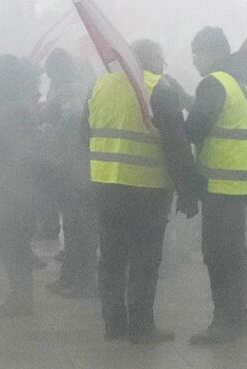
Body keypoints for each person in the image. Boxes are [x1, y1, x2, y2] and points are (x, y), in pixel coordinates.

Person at [84, 38, 197, 344]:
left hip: (106, 185)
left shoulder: (101, 85)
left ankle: (114, 324)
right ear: (155, 60)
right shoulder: (159, 89)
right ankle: (142, 327)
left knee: (110, 258)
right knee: (144, 261)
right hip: (147, 188)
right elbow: (177, 144)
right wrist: (188, 191)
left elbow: (86, 132)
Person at [184, 26, 247, 345]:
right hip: (241, 183)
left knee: (218, 256)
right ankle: (236, 318)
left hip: (221, 185)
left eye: (196, 54)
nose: (194, 61)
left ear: (211, 52)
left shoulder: (214, 82)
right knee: (235, 254)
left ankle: (225, 322)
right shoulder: (243, 82)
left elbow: (195, 128)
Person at [0, 55, 42, 316]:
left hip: (12, 186)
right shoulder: (19, 104)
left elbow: (16, 148)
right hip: (18, 185)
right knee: (15, 243)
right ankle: (19, 296)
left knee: (13, 243)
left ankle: (21, 299)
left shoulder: (10, 108)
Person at [42, 48, 96, 299]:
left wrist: (51, 136)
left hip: (75, 167)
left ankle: (82, 281)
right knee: (73, 226)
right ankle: (70, 276)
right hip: (72, 166)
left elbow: (72, 121)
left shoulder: (71, 91)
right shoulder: (70, 88)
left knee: (79, 226)